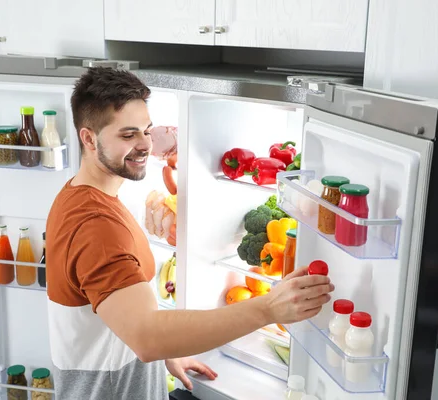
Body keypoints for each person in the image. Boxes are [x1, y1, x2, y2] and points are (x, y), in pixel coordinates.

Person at [45, 67, 335, 400]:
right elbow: (146, 337)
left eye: (147, 130)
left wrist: (170, 349)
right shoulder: (95, 224)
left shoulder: (82, 196)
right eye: (127, 135)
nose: (144, 145)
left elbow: (120, 313)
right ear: (88, 139)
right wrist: (268, 308)